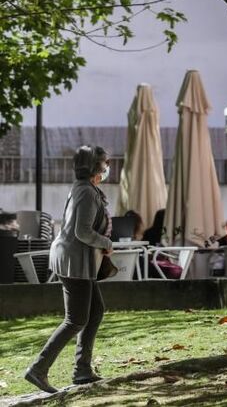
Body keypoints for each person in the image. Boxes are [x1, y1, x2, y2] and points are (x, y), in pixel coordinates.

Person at [25, 146, 114, 394]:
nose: (108, 167)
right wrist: (106, 244)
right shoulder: (85, 192)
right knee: (75, 320)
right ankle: (38, 369)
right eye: (105, 163)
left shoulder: (86, 189)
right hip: (74, 262)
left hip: (78, 261)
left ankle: (82, 370)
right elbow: (82, 232)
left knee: (95, 311)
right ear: (95, 166)